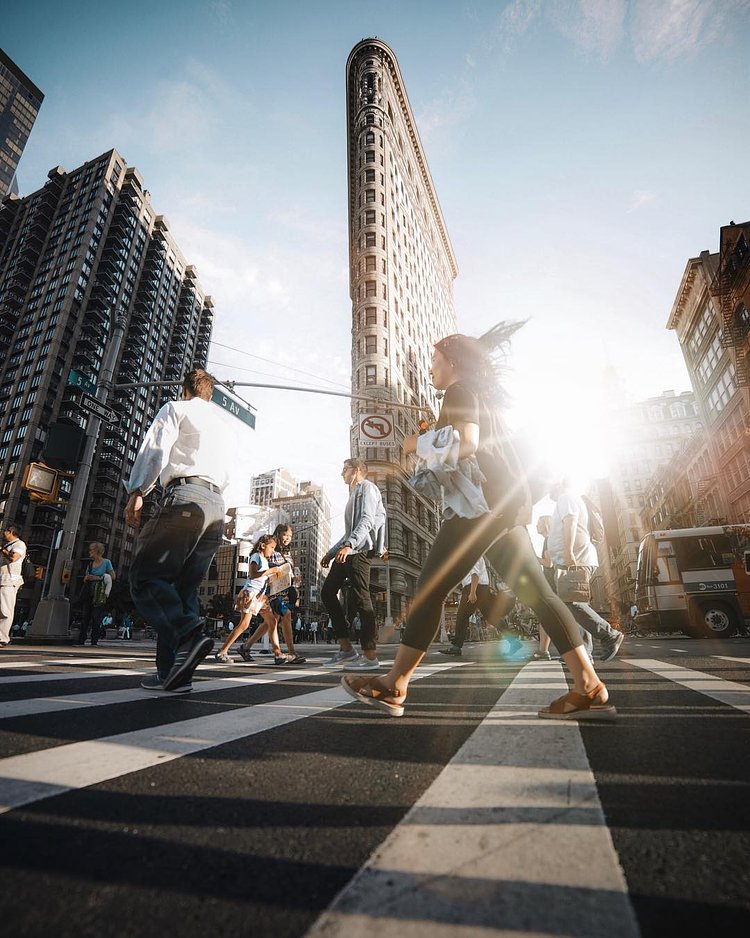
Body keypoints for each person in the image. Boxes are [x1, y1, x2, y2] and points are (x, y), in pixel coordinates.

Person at [342, 324, 615, 720]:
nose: (430, 368)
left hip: (483, 507)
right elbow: (468, 443)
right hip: (507, 505)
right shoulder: (474, 395)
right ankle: (589, 686)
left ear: (452, 363)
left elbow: (467, 444)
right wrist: (435, 432)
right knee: (540, 595)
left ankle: (394, 684)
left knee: (429, 587)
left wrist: (416, 443)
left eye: (435, 361)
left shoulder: (459, 390)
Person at [125, 368, 229, 694]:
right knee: (183, 592)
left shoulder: (177, 408)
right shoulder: (225, 427)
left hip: (185, 497)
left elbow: (155, 449)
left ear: (186, 389)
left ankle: (189, 636)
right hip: (217, 507)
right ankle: (173, 673)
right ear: (210, 393)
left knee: (146, 577)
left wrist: (137, 492)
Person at [321, 457, 387, 671]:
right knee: (327, 592)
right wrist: (331, 553)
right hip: (348, 551)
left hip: (359, 552)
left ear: (356, 470)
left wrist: (350, 545)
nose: (342, 473)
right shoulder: (353, 493)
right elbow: (349, 533)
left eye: (345, 469)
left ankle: (370, 656)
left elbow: (367, 520)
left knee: (361, 598)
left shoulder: (367, 488)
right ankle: (346, 648)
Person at [547, 480, 624, 662]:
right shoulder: (567, 499)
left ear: (558, 482)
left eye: (549, 484)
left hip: (575, 559)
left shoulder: (566, 497)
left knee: (571, 604)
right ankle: (584, 653)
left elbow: (571, 521)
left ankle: (609, 635)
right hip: (573, 560)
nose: (546, 489)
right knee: (575, 604)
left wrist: (568, 552)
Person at [215, 534, 285, 663]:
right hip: (250, 593)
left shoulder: (264, 560)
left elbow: (261, 578)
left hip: (260, 597)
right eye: (271, 547)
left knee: (272, 621)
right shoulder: (256, 556)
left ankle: (277, 653)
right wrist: (270, 571)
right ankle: (222, 651)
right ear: (263, 546)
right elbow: (253, 575)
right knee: (244, 624)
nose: (273, 550)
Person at [438, 555, 517, 657]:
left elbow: (475, 574)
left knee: (462, 616)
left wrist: (472, 592)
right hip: (481, 588)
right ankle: (514, 641)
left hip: (474, 587)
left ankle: (456, 647)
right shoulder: (476, 554)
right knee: (491, 617)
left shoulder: (472, 554)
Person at [265, 523, 306, 665]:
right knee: (286, 615)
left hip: (285, 591)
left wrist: (295, 578)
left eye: (290, 536)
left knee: (272, 621)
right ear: (278, 534)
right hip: (273, 591)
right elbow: (265, 568)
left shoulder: (288, 553)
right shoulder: (270, 549)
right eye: (285, 535)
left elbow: (290, 572)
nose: (288, 538)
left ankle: (245, 647)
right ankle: (291, 653)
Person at [76, 542, 115, 646]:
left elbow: (113, 576)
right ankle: (81, 639)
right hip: (89, 593)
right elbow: (85, 578)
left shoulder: (107, 562)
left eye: (91, 550)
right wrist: (87, 578)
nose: (90, 552)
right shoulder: (90, 564)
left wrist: (98, 578)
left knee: (96, 618)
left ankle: (94, 640)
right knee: (85, 617)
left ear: (97, 551)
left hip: (99, 594)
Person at [534, 515, 557, 660]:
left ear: (546, 525)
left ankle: (543, 651)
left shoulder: (548, 540)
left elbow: (548, 563)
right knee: (545, 617)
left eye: (538, 523)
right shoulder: (550, 540)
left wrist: (532, 557)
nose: (536, 526)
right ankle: (543, 650)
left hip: (552, 584)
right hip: (552, 583)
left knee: (545, 616)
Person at [0, 522, 27, 648]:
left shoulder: (19, 544)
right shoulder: (8, 545)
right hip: (2, 579)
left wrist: (2, 550)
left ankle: (2, 638)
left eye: (5, 531)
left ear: (10, 532)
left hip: (9, 581)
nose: (3, 533)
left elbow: (14, 558)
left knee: (5, 610)